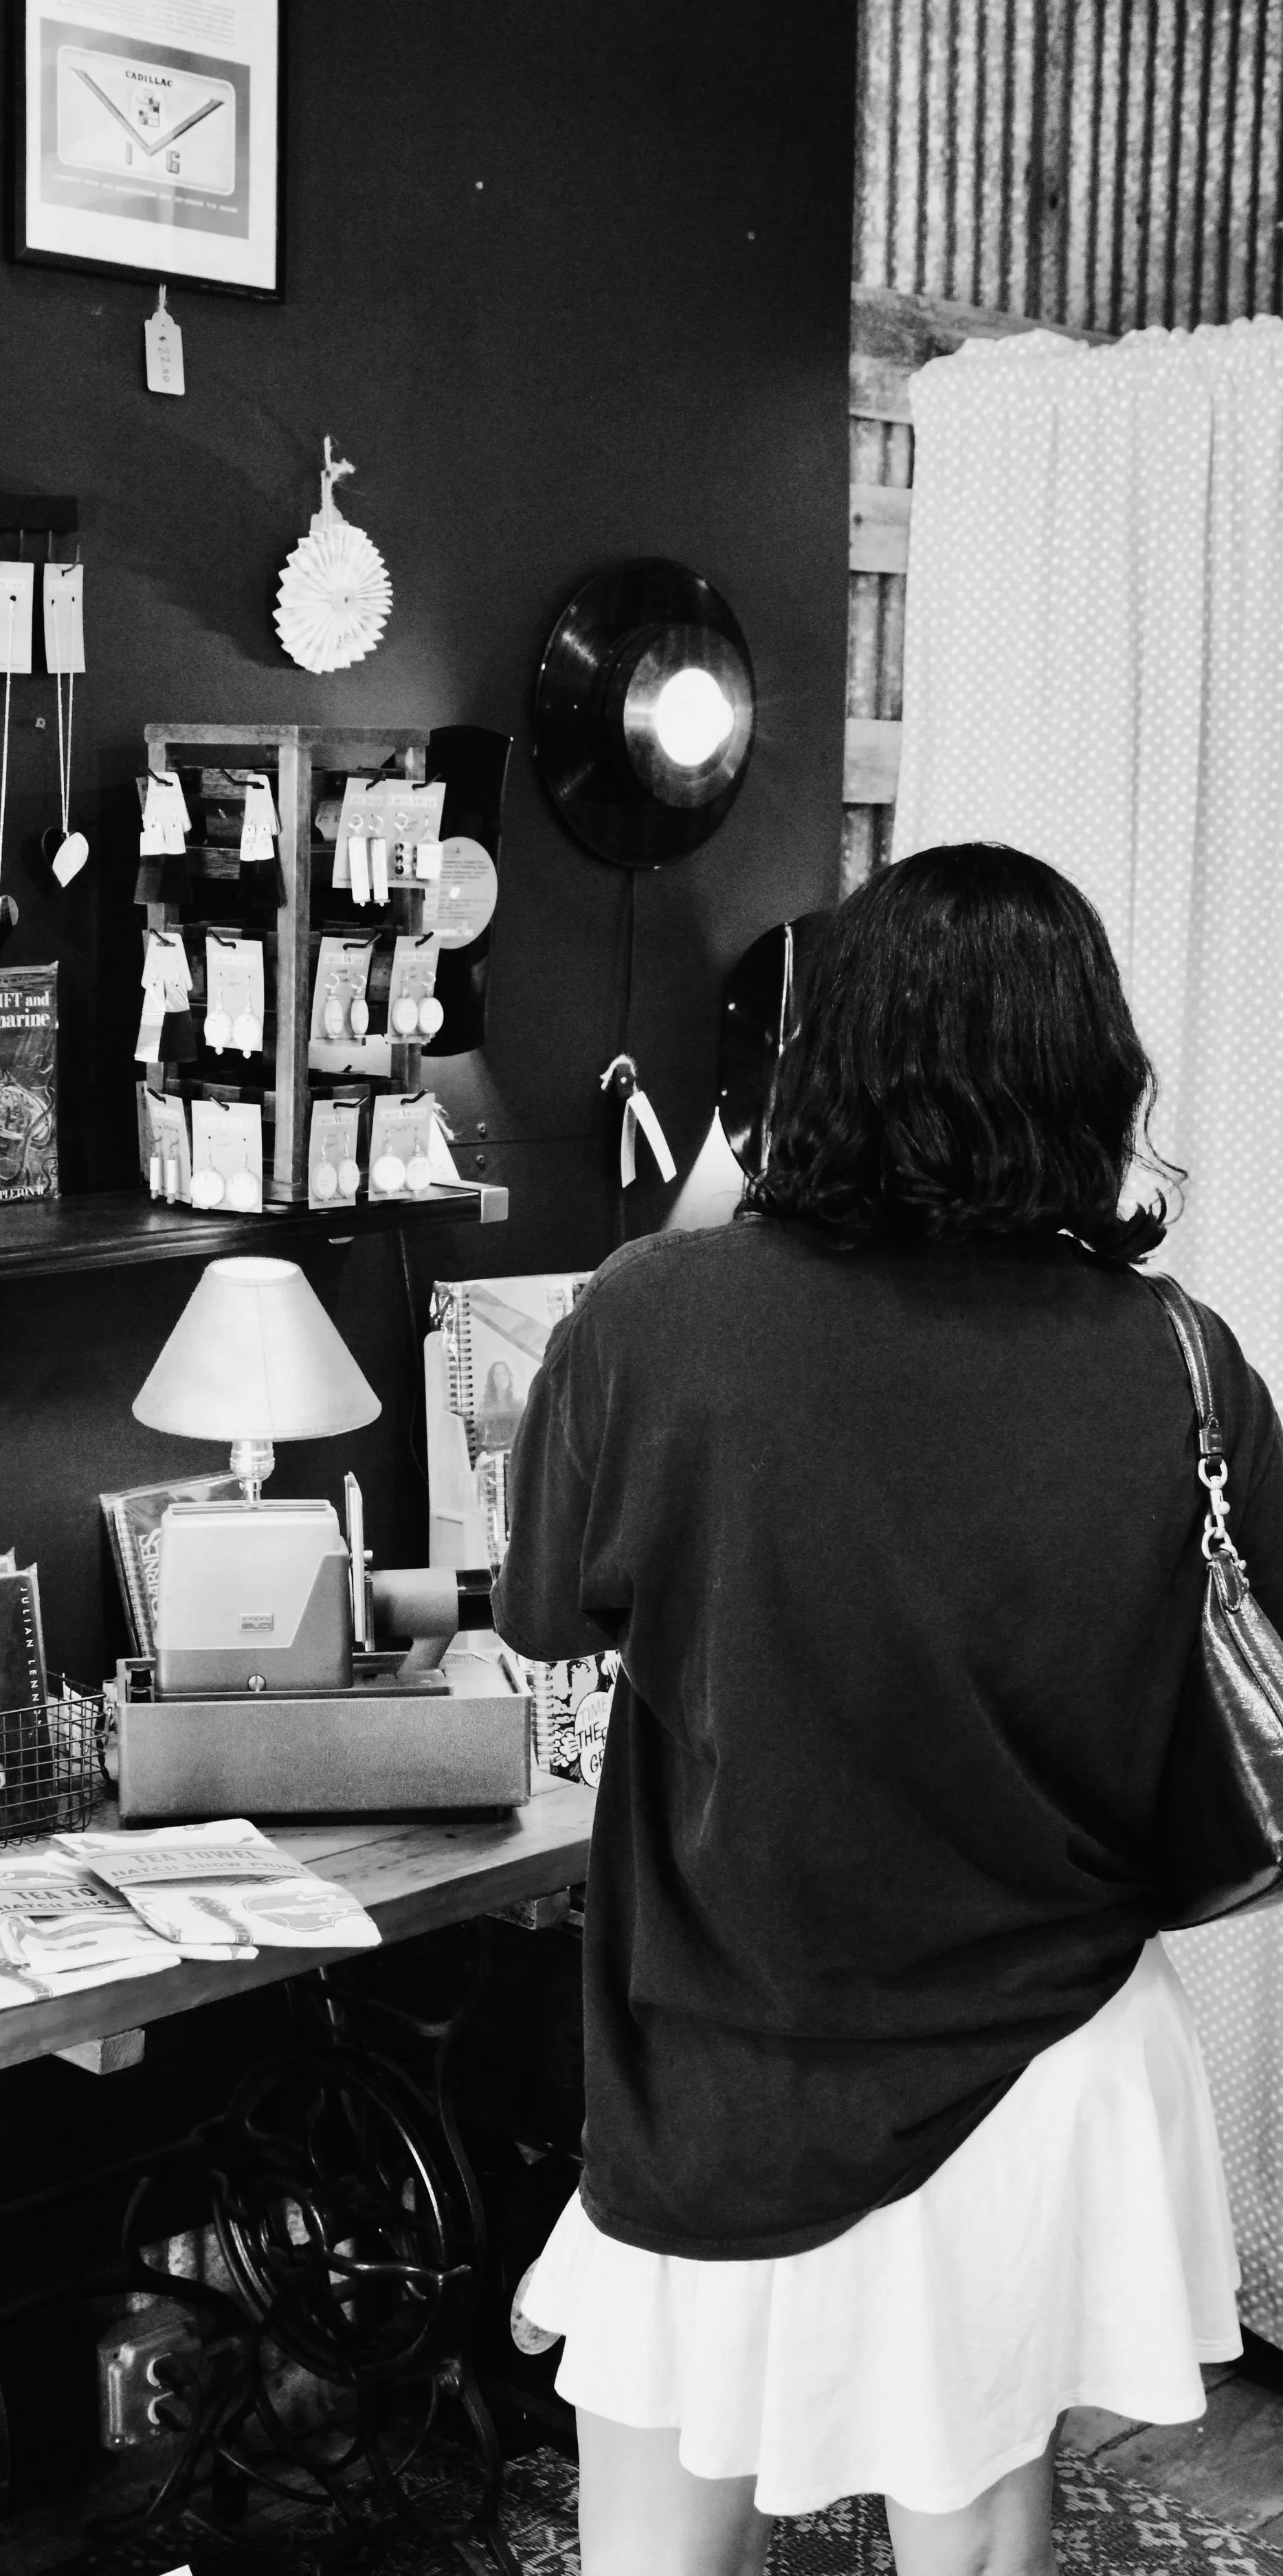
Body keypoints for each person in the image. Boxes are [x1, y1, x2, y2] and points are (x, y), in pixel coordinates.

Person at [495, 845, 1282, 2576]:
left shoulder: (651, 1316)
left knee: (655, 2536)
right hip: (1042, 2045)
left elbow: (548, 1611)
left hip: (718, 2041)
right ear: (1094, 1075)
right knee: (978, 2522)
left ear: (818, 1060)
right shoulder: (1185, 1362)